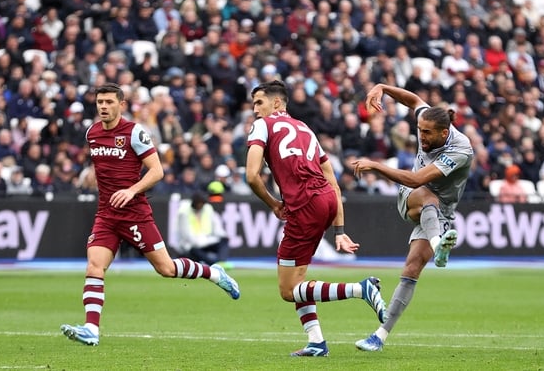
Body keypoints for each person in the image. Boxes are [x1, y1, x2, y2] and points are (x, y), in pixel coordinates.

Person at [60, 83, 240, 347]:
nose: (103, 107)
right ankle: (91, 328)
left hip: (135, 213)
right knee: (94, 266)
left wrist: (131, 191)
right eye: (100, 102)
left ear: (122, 105)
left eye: (109, 102)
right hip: (107, 215)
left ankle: (213, 274)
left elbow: (157, 171)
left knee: (166, 268)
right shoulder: (92, 133)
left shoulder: (134, 133)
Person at [244, 80, 387, 357]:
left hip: (304, 205)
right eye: (253, 105)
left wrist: (273, 203)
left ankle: (361, 289)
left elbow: (251, 175)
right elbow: (332, 181)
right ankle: (316, 342)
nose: (255, 110)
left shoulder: (264, 125)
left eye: (259, 103)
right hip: (325, 200)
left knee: (288, 290)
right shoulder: (305, 129)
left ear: (276, 103)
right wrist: (339, 230)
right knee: (300, 280)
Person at [351, 83, 474, 352]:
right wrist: (381, 87)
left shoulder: (460, 150)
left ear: (445, 132)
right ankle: (438, 244)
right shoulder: (427, 119)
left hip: (439, 211)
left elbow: (419, 176)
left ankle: (379, 337)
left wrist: (375, 165)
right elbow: (414, 99)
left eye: (427, 133)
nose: (421, 137)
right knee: (428, 196)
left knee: (411, 269)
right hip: (411, 196)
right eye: (420, 131)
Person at [176, 192, 229, 265]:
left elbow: (216, 226)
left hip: (207, 240)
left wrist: (223, 235)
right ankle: (215, 264)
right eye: (198, 204)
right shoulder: (183, 211)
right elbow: (186, 235)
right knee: (194, 251)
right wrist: (200, 242)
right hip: (191, 245)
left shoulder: (208, 208)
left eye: (201, 204)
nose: (200, 206)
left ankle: (221, 262)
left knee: (224, 240)